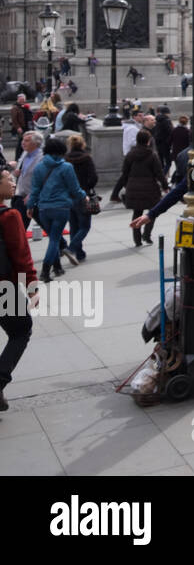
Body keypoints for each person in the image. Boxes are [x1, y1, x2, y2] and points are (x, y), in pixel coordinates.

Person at [0, 167, 39, 411]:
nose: (13, 183)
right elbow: (21, 255)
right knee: (21, 330)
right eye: (8, 179)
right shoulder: (9, 216)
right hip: (4, 287)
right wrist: (32, 285)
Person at [27, 136, 91, 282]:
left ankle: (57, 267)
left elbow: (35, 189)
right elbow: (74, 188)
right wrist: (83, 196)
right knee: (55, 239)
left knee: (53, 238)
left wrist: (30, 206)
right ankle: (45, 269)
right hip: (61, 208)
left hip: (43, 208)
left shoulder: (39, 167)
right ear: (61, 151)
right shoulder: (66, 167)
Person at [117, 130, 168, 248]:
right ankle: (147, 234)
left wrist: (126, 185)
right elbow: (159, 173)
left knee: (137, 212)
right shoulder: (152, 155)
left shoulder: (130, 154)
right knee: (153, 212)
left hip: (133, 186)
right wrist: (165, 186)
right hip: (150, 188)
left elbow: (124, 172)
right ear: (148, 141)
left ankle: (137, 239)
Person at [64, 134, 97, 264]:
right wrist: (88, 188)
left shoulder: (66, 159)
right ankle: (72, 249)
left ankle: (79, 253)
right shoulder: (87, 158)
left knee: (74, 226)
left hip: (69, 196)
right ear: (82, 144)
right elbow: (93, 177)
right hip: (84, 195)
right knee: (85, 226)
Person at [9, 132, 43, 239]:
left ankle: (61, 245)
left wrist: (33, 194)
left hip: (34, 197)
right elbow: (21, 172)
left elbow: (43, 179)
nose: (23, 142)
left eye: (27, 140)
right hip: (20, 196)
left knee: (45, 224)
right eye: (23, 140)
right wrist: (16, 172)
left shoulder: (42, 157)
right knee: (19, 226)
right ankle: (17, 249)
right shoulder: (24, 154)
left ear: (36, 143)